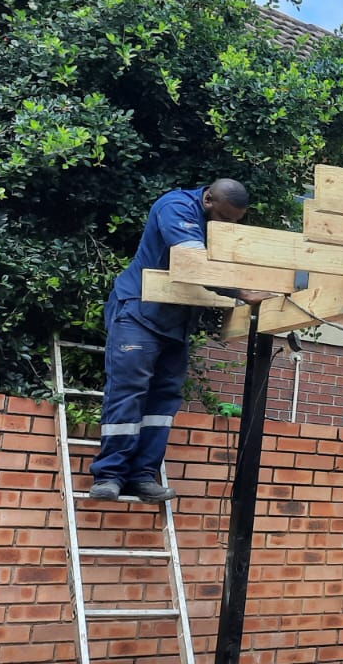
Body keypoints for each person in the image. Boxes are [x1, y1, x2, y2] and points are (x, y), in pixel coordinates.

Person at [89, 178, 268, 503]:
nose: (226, 226)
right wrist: (242, 292)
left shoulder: (216, 219)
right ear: (208, 199)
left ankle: (142, 476)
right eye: (224, 218)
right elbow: (195, 265)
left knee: (164, 400)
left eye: (233, 222)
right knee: (129, 391)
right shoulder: (176, 207)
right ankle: (110, 475)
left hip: (175, 322)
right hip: (139, 312)